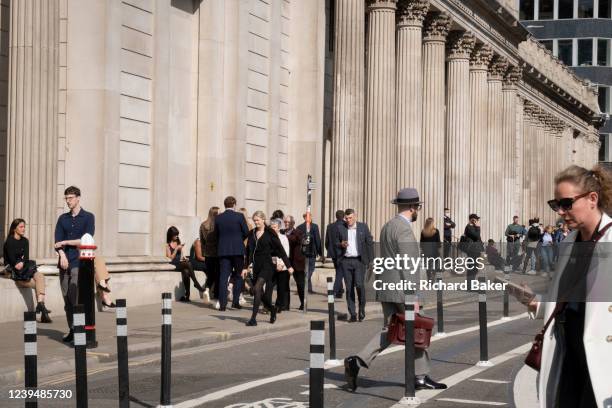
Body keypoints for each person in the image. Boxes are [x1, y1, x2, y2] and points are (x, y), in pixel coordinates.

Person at [524, 164, 612, 408]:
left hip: (602, 365)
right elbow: (572, 300)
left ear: (592, 199)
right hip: (568, 359)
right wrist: (540, 302)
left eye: (566, 203)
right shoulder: (570, 243)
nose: (561, 212)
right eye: (556, 205)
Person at [344, 188, 447, 392]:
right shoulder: (405, 229)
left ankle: (357, 361)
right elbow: (409, 264)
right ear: (412, 207)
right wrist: (413, 295)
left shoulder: (388, 226)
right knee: (419, 329)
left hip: (388, 286)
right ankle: (420, 376)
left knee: (390, 330)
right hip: (403, 288)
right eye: (417, 207)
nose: (417, 210)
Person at [54, 186, 95, 343]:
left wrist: (65, 242)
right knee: (67, 299)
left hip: (79, 262)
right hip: (64, 262)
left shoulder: (88, 217)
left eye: (70, 198)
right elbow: (57, 243)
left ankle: (81, 329)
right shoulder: (62, 219)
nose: (68, 201)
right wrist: (62, 254)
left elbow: (86, 239)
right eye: (66, 198)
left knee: (75, 293)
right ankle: (72, 328)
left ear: (78, 198)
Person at [242, 211, 293, 326]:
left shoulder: (270, 233)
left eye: (258, 220)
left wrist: (288, 266)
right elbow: (248, 251)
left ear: (263, 220)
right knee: (258, 292)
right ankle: (272, 309)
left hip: (267, 265)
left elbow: (281, 250)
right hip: (256, 266)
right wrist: (245, 267)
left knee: (257, 287)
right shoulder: (252, 233)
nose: (256, 222)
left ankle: (253, 319)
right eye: (254, 220)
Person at [3, 219, 52, 323]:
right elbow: (12, 261)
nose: (23, 229)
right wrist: (19, 262)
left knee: (40, 277)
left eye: (24, 226)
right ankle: (43, 312)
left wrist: (21, 262)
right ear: (14, 228)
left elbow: (26, 258)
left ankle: (40, 305)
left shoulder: (25, 241)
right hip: (14, 273)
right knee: (38, 284)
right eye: (21, 227)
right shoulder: (9, 241)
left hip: (24, 270)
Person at [335, 209, 373, 322]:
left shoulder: (363, 227)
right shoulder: (341, 228)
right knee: (349, 288)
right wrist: (341, 244)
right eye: (346, 218)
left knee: (360, 285)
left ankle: (361, 308)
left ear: (355, 217)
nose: (348, 220)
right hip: (346, 261)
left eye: (350, 218)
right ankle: (352, 313)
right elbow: (335, 243)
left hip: (359, 261)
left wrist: (371, 260)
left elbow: (369, 243)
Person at [215, 196, 249, 311]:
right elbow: (246, 232)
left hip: (223, 251)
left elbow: (216, 234)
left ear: (225, 205)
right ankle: (235, 302)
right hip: (237, 250)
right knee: (239, 276)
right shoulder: (239, 216)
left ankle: (223, 304)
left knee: (223, 277)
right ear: (234, 204)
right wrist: (239, 240)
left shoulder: (218, 218)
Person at [165, 226, 205, 302]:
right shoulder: (167, 245)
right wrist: (176, 249)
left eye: (177, 235)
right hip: (173, 264)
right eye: (175, 235)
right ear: (171, 235)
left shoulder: (178, 242)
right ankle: (196, 284)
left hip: (179, 263)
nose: (177, 236)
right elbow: (170, 258)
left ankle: (187, 295)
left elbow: (181, 255)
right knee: (188, 264)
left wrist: (184, 258)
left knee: (186, 271)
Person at [297, 213, 322, 293]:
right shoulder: (314, 226)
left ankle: (309, 289)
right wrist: (320, 253)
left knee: (306, 270)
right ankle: (303, 286)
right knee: (310, 269)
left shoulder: (299, 227)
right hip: (311, 252)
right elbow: (318, 240)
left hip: (303, 252)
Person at [284, 215, 306, 309]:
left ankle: (303, 303)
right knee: (285, 283)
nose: (286, 224)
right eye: (285, 222)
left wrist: (284, 237)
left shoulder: (298, 232)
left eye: (288, 222)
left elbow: (295, 239)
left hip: (297, 262)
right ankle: (285, 304)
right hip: (286, 261)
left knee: (300, 284)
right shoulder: (282, 232)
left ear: (292, 223)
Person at [200, 206, 220, 304]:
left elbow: (202, 241)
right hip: (217, 253)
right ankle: (216, 297)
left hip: (207, 253)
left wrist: (204, 251)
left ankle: (207, 289)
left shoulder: (203, 225)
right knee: (218, 275)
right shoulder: (218, 225)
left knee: (210, 274)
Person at [270, 218, 291, 311]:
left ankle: (279, 305)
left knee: (281, 287)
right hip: (271, 265)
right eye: (272, 227)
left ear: (278, 228)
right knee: (269, 286)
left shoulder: (283, 237)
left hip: (282, 266)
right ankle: (267, 304)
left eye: (275, 227)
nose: (273, 228)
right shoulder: (268, 237)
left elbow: (285, 253)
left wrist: (281, 264)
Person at [325, 210, 345, 298]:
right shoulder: (346, 225)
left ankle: (339, 290)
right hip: (343, 252)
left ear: (336, 216)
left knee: (338, 271)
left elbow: (327, 242)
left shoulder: (330, 226)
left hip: (333, 252)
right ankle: (335, 290)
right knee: (340, 272)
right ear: (344, 216)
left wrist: (329, 250)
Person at [420, 217, 441, 281]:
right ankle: (433, 277)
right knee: (435, 264)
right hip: (434, 250)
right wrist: (439, 249)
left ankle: (429, 278)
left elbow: (421, 242)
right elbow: (438, 242)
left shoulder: (423, 231)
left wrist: (422, 250)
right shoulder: (436, 231)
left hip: (426, 251)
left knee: (428, 265)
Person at [463, 213, 483, 280]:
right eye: (476, 219)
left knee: (475, 268)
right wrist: (478, 227)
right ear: (472, 220)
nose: (477, 220)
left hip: (476, 250)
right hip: (472, 250)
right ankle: (469, 286)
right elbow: (476, 237)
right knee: (472, 268)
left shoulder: (473, 227)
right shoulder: (469, 227)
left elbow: (479, 239)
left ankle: (471, 284)